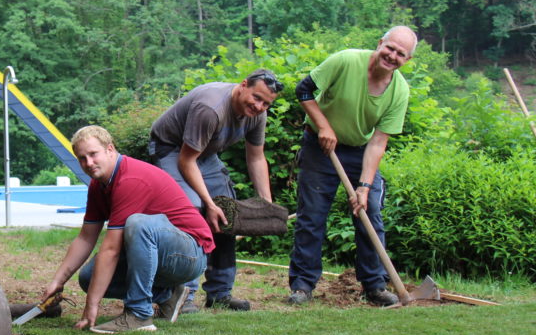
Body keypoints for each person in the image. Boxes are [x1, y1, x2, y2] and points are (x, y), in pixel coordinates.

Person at [287, 26, 418, 307]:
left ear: (407, 60)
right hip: (319, 147)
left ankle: (374, 286)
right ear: (380, 43)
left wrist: (364, 186)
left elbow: (378, 142)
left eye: (401, 54)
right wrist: (323, 126)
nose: (392, 56)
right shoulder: (346, 60)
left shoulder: (399, 92)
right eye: (390, 48)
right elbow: (303, 89)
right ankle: (302, 285)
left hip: (361, 151)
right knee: (312, 217)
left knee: (369, 212)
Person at [40, 126, 214, 333]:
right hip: (164, 254)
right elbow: (86, 238)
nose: (89, 163)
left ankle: (139, 314)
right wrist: (57, 282)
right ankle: (167, 295)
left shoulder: (130, 179)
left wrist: (92, 304)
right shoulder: (99, 185)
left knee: (138, 224)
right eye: (82, 158)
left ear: (110, 149)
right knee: (89, 277)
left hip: (190, 254)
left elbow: (111, 249)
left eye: (93, 154)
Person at [149, 69, 282, 311]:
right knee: (191, 211)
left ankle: (220, 292)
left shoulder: (258, 115)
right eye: (256, 98)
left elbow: (256, 158)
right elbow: (186, 161)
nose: (259, 106)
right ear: (243, 85)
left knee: (227, 213)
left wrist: (267, 205)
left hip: (204, 154)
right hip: (171, 149)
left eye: (266, 103)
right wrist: (208, 204)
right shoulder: (211, 108)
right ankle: (180, 295)